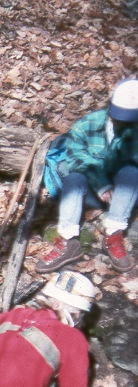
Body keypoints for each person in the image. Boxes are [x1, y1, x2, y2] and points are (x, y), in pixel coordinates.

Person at [37, 78, 138, 274]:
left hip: (124, 195)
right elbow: (75, 159)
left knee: (131, 172)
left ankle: (113, 235)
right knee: (74, 179)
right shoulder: (87, 125)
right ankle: (68, 242)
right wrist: (101, 183)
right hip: (91, 192)